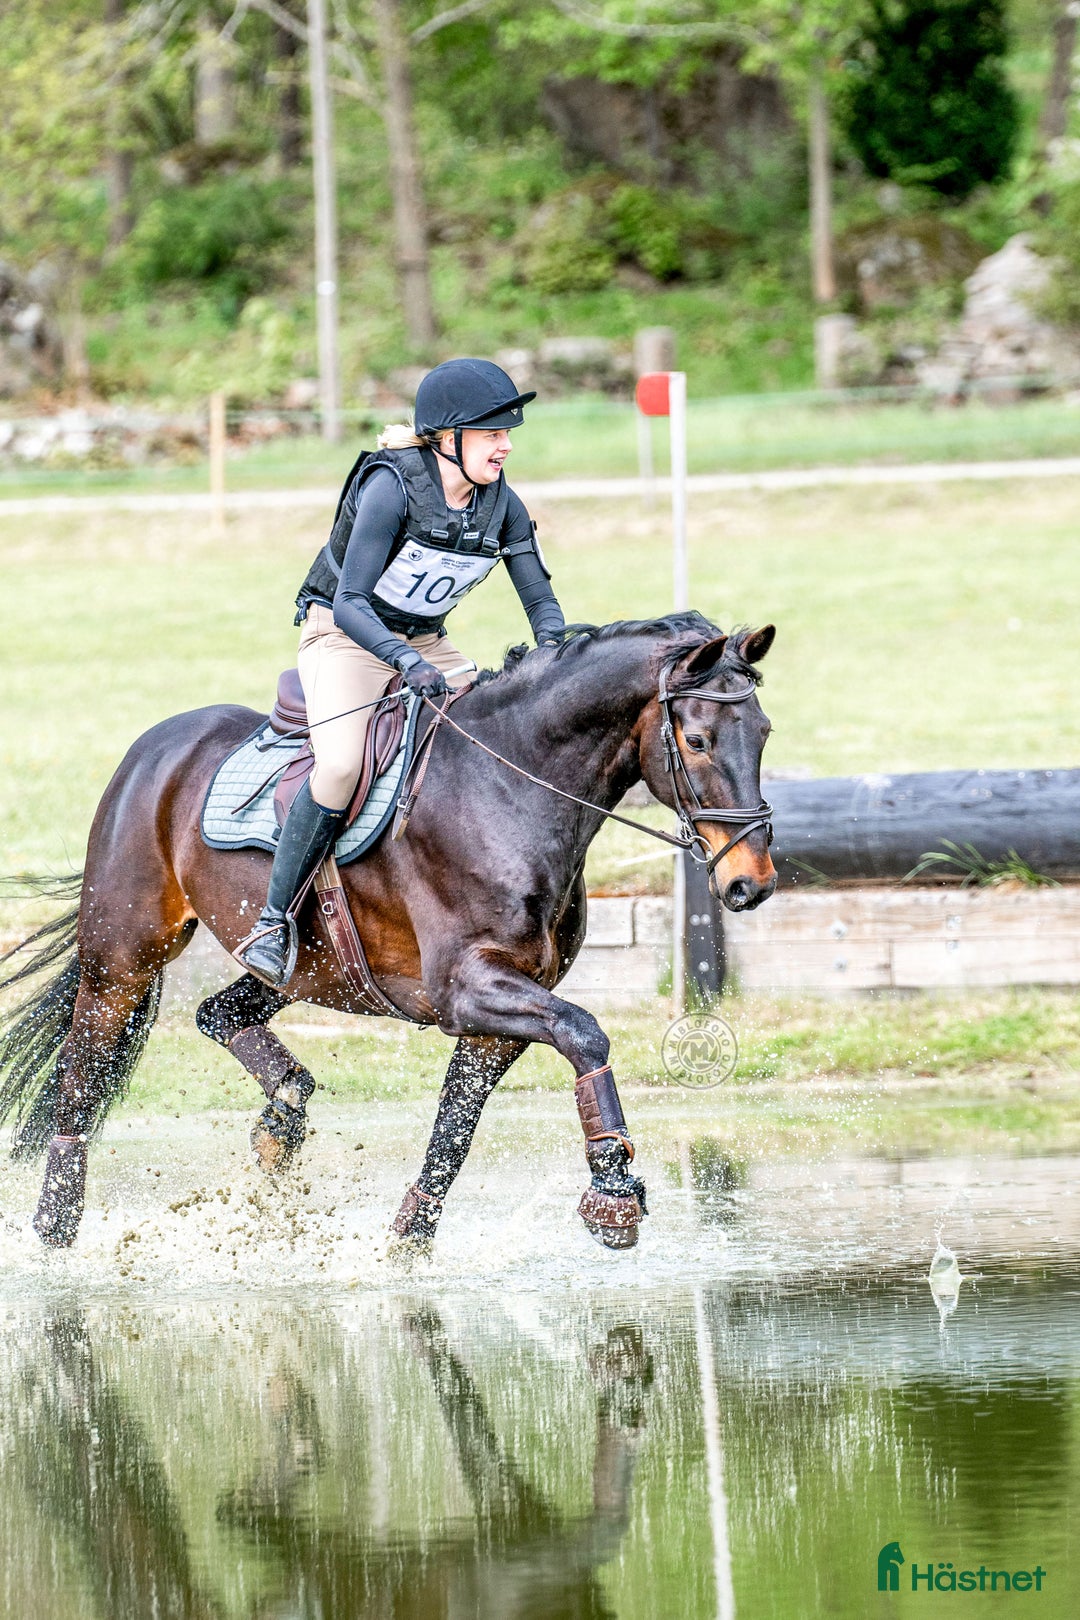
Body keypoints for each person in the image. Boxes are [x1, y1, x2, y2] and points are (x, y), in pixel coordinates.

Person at [236, 357, 566, 985]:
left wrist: (554, 652)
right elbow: (350, 602)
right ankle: (273, 922)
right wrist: (404, 661)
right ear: (448, 438)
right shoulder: (391, 487)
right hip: (344, 638)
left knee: (497, 735)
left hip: (425, 642)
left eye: (507, 432)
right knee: (338, 767)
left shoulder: (503, 504)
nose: (506, 444)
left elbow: (539, 601)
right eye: (493, 432)